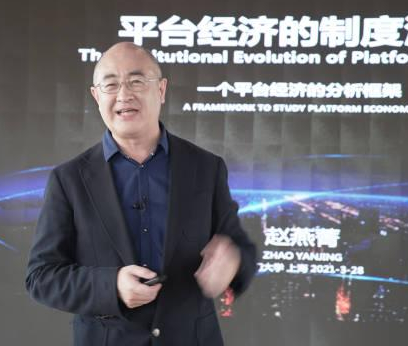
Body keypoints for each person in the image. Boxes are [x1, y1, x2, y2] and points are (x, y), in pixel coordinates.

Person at [25, 42, 257, 346]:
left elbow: (240, 248)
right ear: (96, 96)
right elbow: (42, 277)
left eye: (136, 81)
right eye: (111, 85)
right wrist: (111, 286)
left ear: (161, 90)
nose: (124, 94)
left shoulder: (205, 167)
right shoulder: (69, 179)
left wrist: (233, 261)